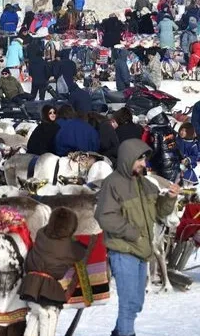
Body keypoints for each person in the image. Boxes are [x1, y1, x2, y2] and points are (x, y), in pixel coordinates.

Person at [95, 139, 179, 336]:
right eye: (139, 159)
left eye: (144, 159)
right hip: (123, 251)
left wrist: (170, 198)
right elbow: (104, 216)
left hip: (142, 251)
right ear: (127, 158)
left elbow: (159, 212)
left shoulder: (145, 184)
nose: (144, 163)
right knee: (128, 303)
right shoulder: (113, 183)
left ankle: (119, 332)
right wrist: (132, 233)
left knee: (136, 303)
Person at [19, 207, 86, 336]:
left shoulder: (41, 233)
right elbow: (82, 253)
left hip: (30, 285)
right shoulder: (70, 247)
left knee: (35, 317)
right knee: (49, 316)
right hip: (48, 290)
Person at [145, 107, 182, 181]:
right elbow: (176, 145)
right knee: (171, 185)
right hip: (174, 160)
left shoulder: (155, 131)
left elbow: (154, 149)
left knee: (164, 187)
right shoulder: (170, 129)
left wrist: (146, 159)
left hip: (163, 163)